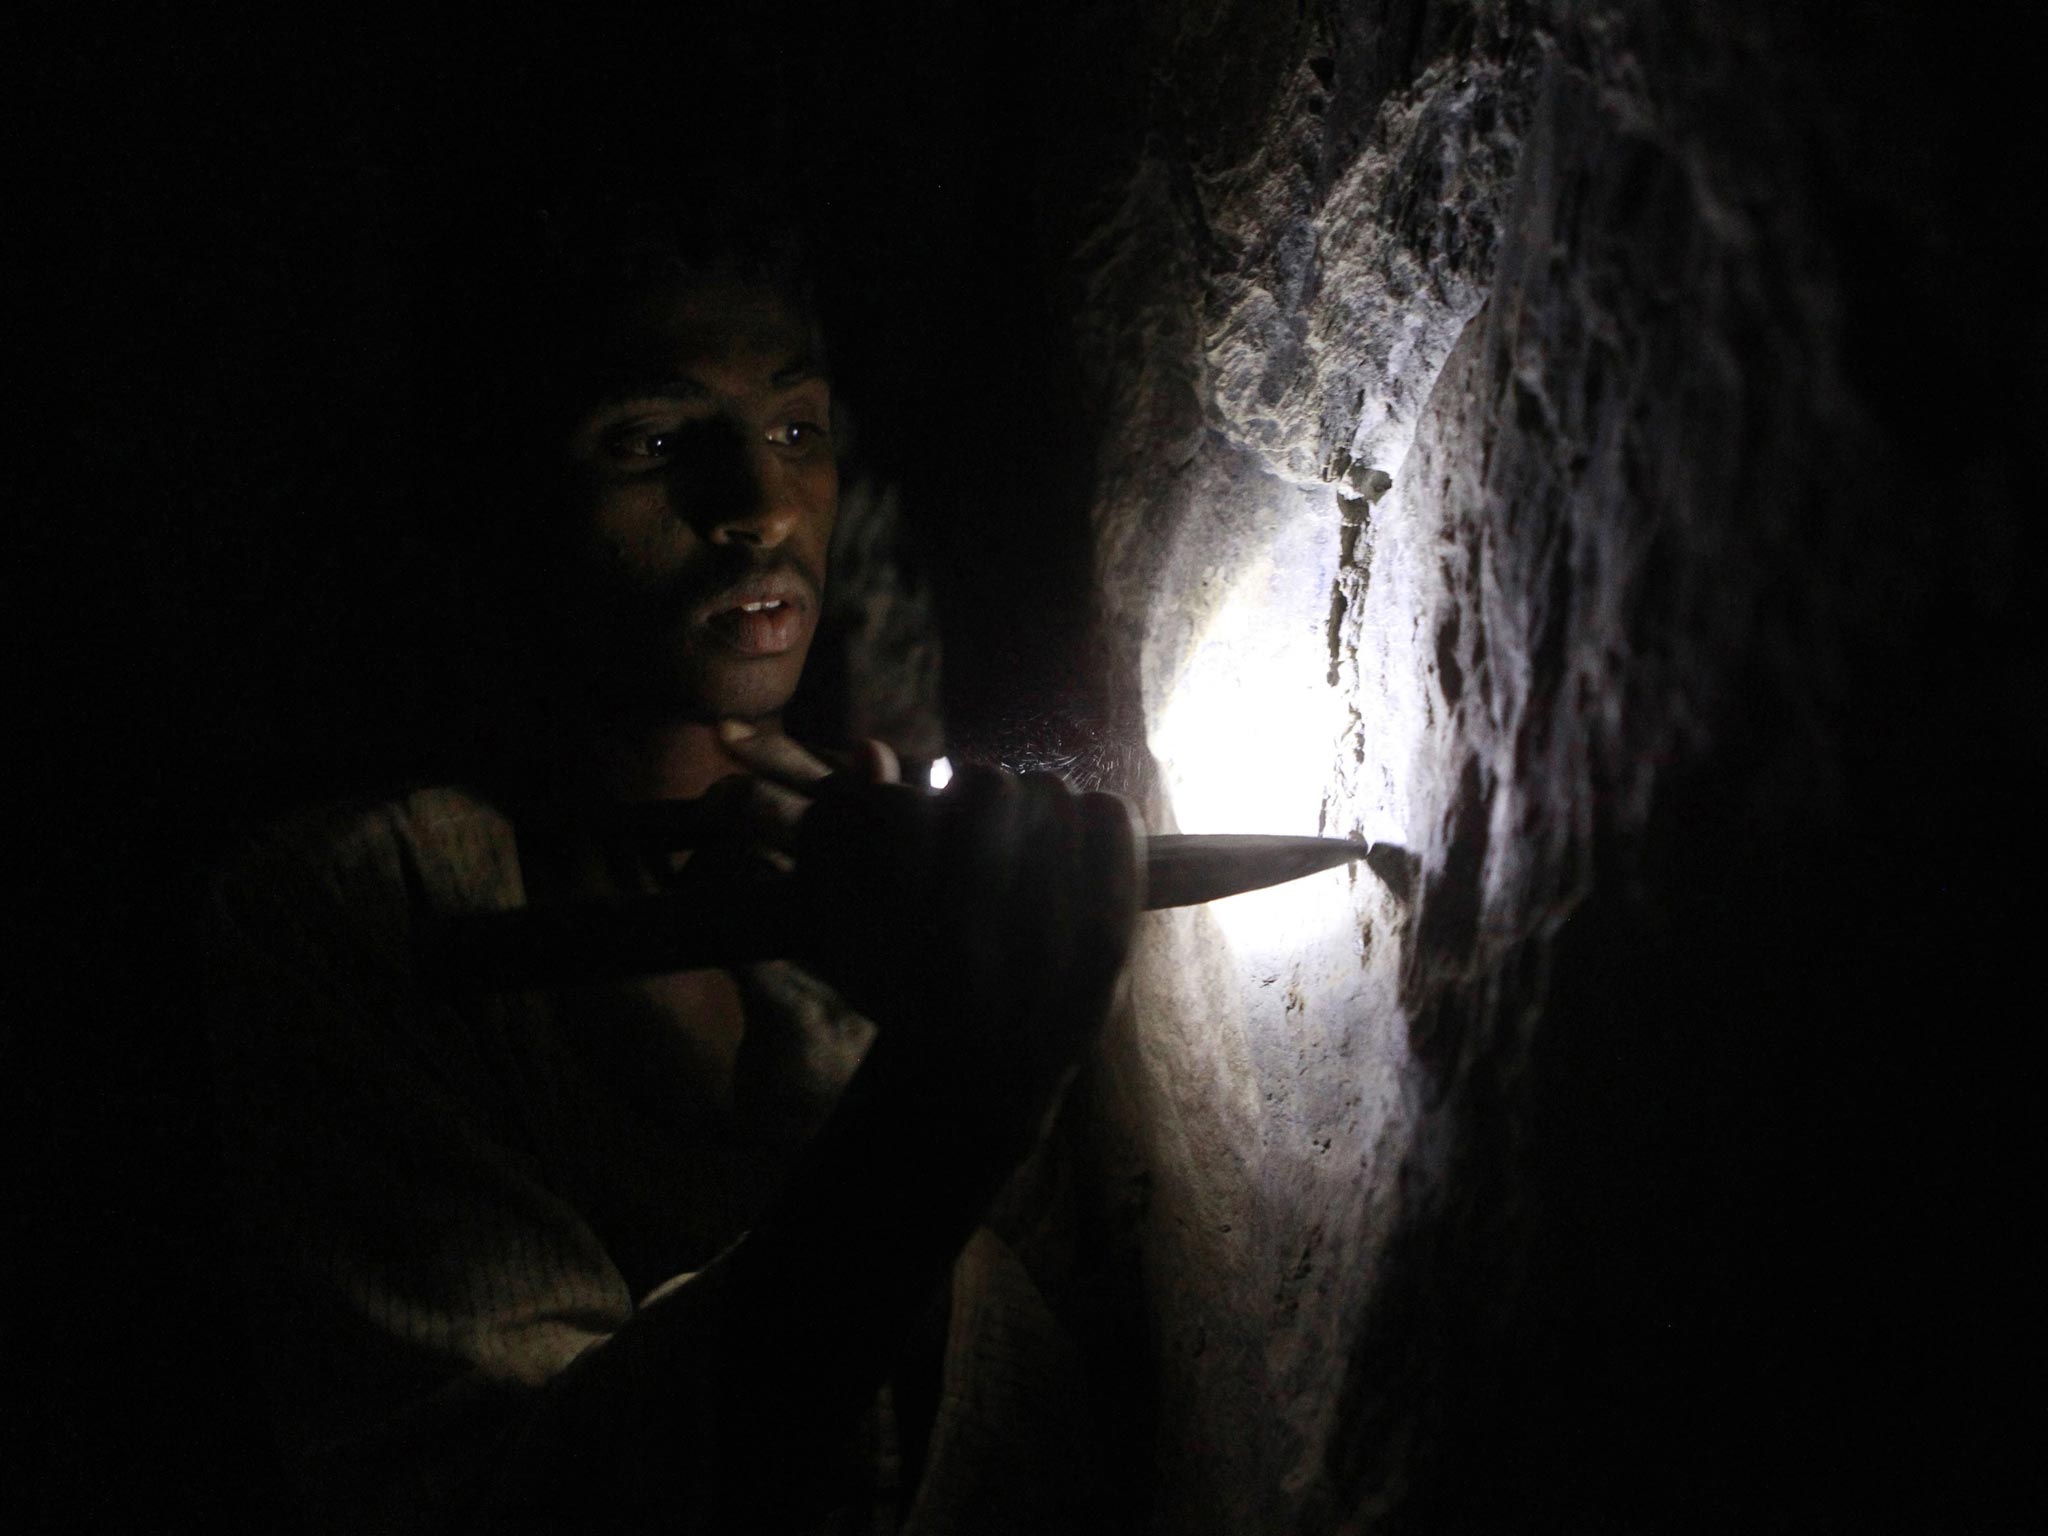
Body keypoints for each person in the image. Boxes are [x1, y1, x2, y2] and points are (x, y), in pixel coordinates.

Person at [197, 194, 1141, 1533]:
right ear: (496, 491)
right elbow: (506, 1501)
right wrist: (941, 1105)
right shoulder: (370, 911)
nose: (759, 508)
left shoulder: (882, 857)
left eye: (797, 430)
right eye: (649, 441)